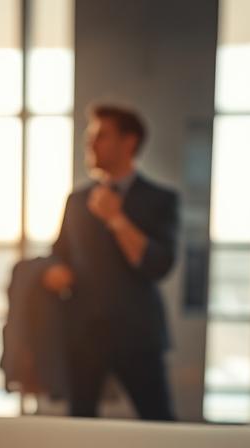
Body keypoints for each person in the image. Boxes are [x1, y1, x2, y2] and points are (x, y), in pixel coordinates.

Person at [41, 104, 180, 420]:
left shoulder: (160, 199)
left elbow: (159, 265)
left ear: (129, 142)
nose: (90, 144)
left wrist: (116, 218)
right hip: (84, 332)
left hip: (138, 335)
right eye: (90, 136)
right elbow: (58, 252)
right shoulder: (77, 200)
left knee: (159, 421)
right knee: (80, 424)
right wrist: (51, 271)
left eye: (101, 136)